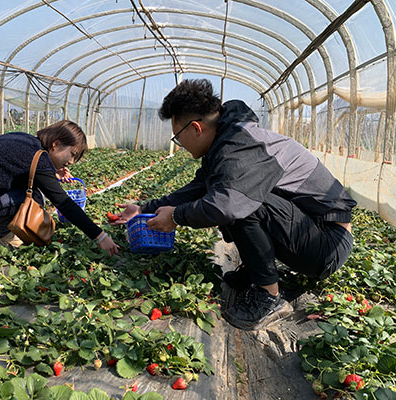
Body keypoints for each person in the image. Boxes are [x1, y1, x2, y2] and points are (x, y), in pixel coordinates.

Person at [113, 79, 356, 330]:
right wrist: (144, 208)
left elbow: (227, 205)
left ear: (196, 128)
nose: (180, 144)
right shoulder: (227, 140)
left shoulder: (241, 146)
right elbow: (198, 188)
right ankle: (256, 271)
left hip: (327, 244)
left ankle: (269, 296)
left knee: (239, 204)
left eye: (178, 137)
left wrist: (176, 217)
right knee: (233, 198)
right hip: (310, 231)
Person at [0, 120, 119, 257]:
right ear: (56, 144)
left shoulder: (27, 141)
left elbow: (13, 171)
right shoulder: (38, 158)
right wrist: (100, 236)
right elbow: (64, 203)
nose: (71, 161)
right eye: (72, 154)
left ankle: (1, 229)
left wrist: (52, 174)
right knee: (34, 201)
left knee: (30, 194)